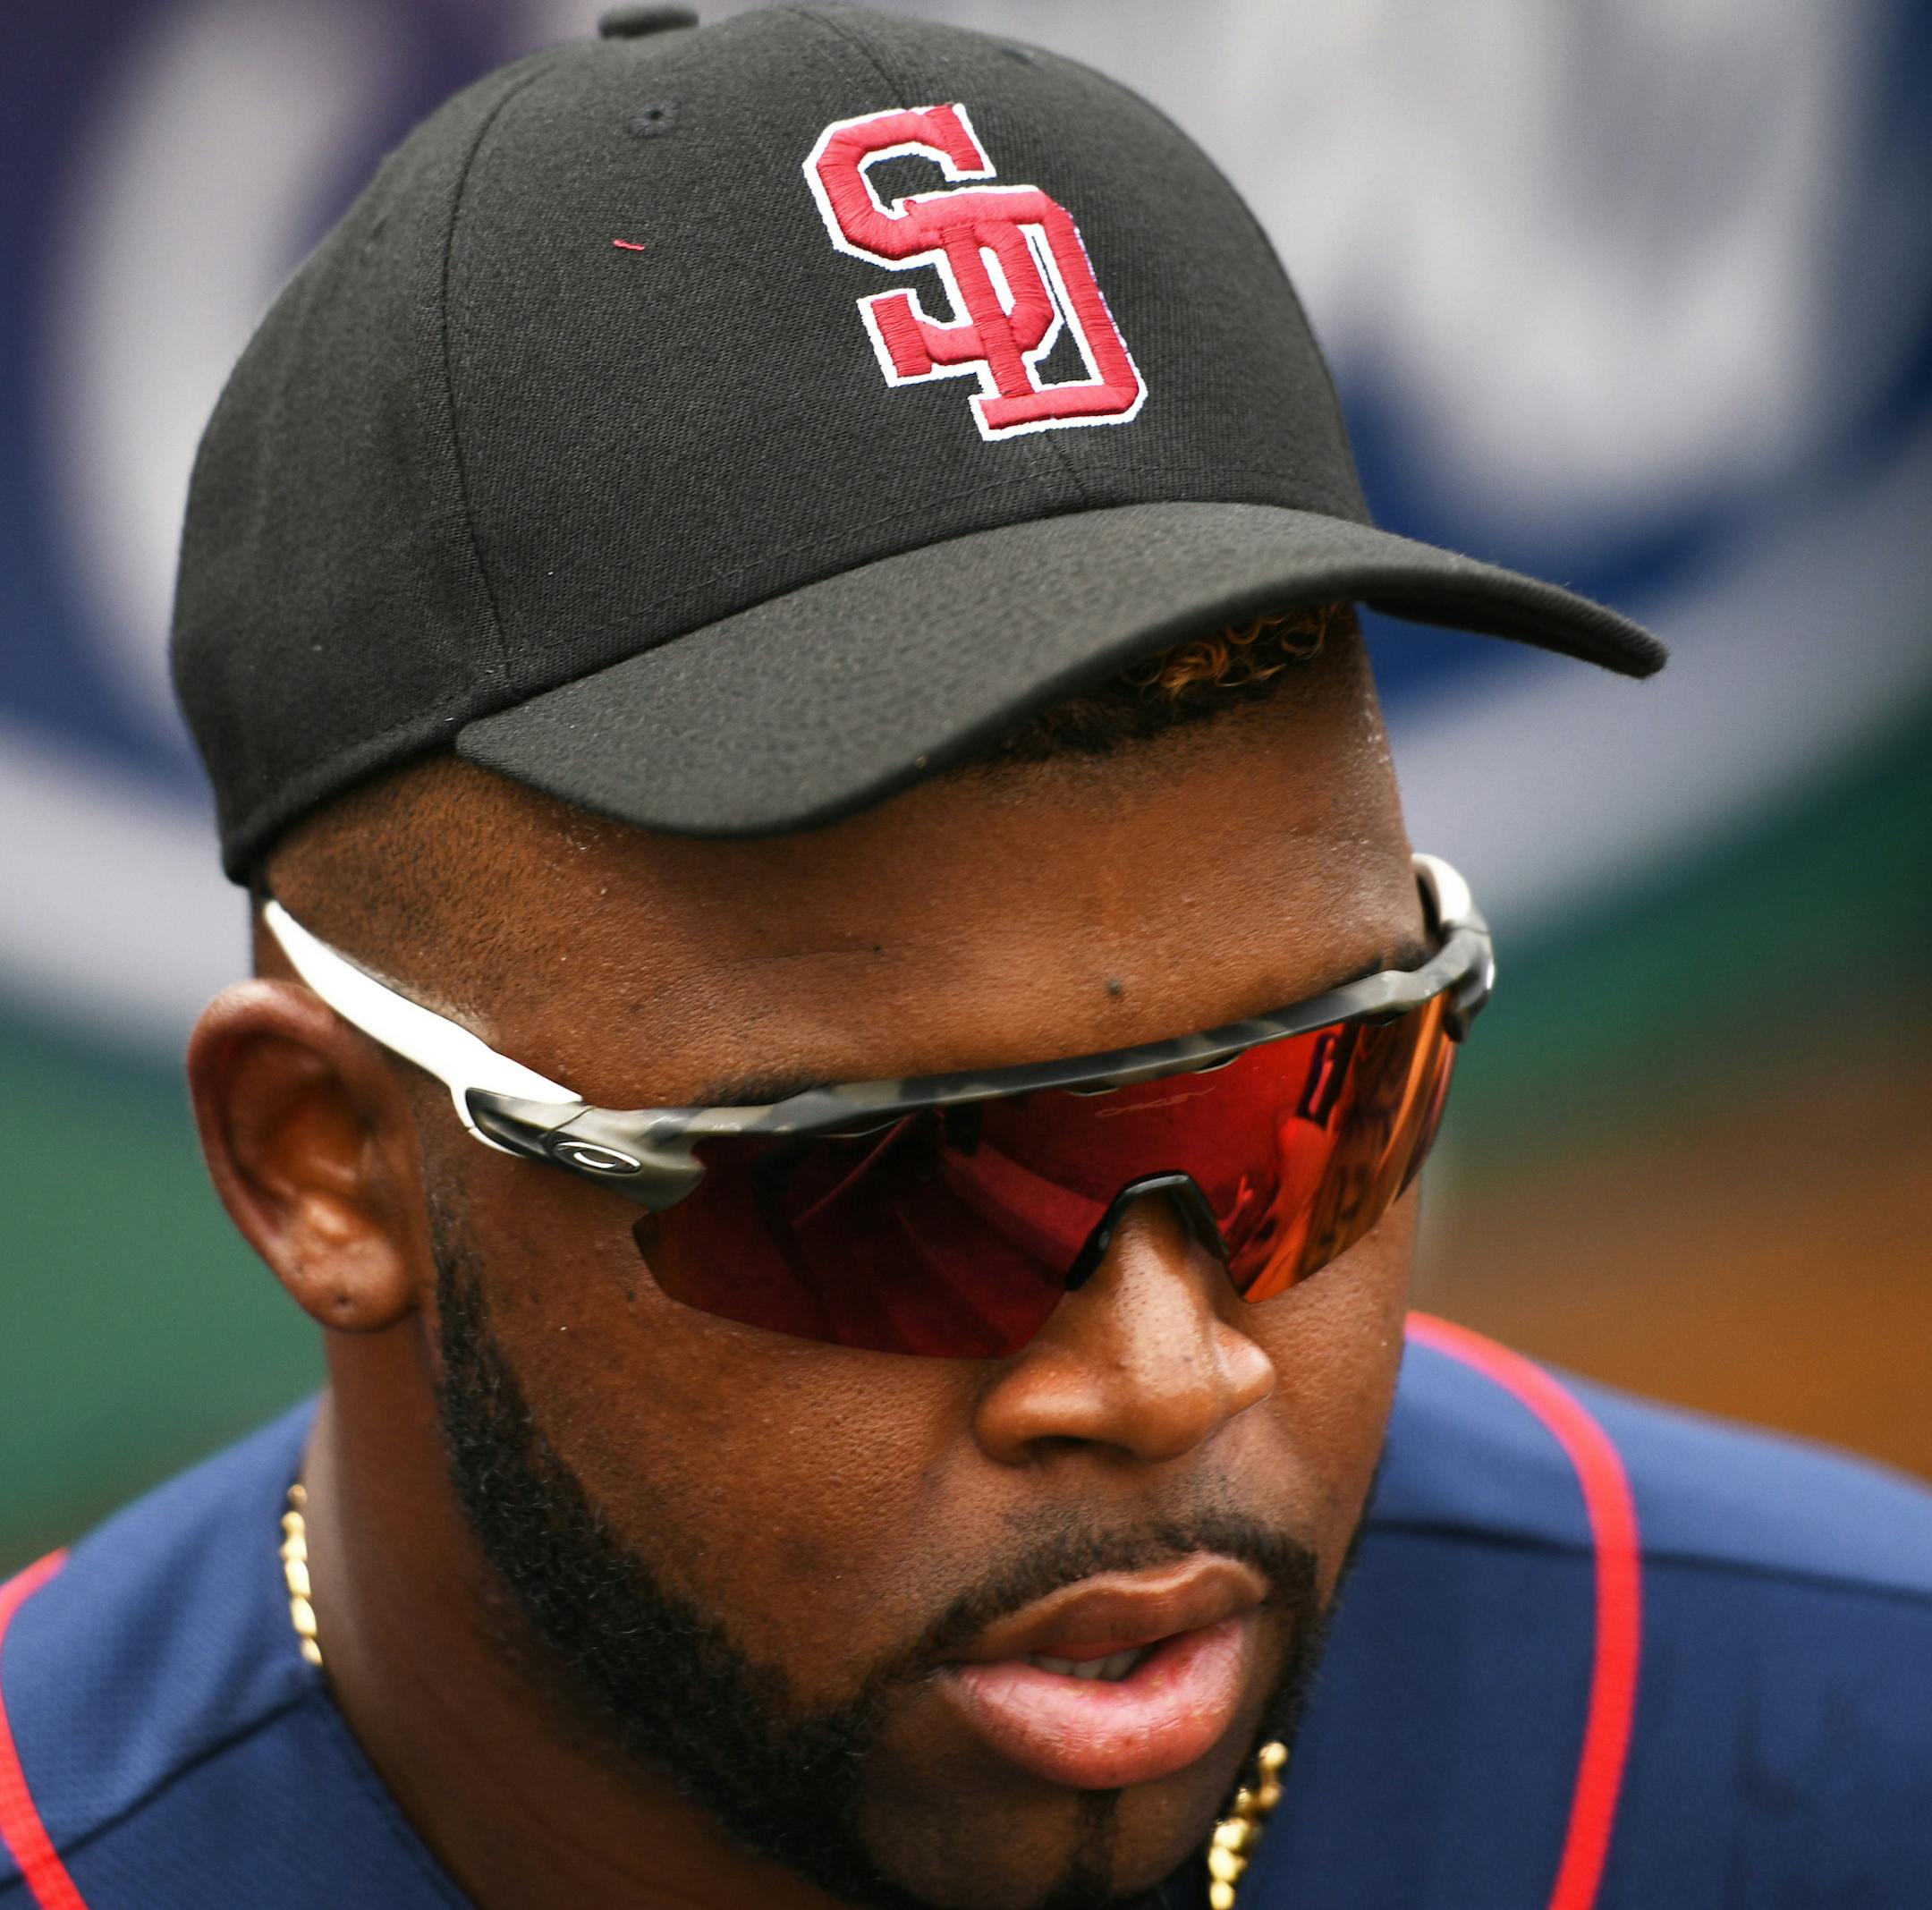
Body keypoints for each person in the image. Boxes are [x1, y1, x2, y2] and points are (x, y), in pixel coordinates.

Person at [3, 7, 1928, 1907]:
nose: (1168, 1377)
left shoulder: (1850, 1746)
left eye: (1320, 1094)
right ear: (324, 1160)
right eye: (884, 1181)